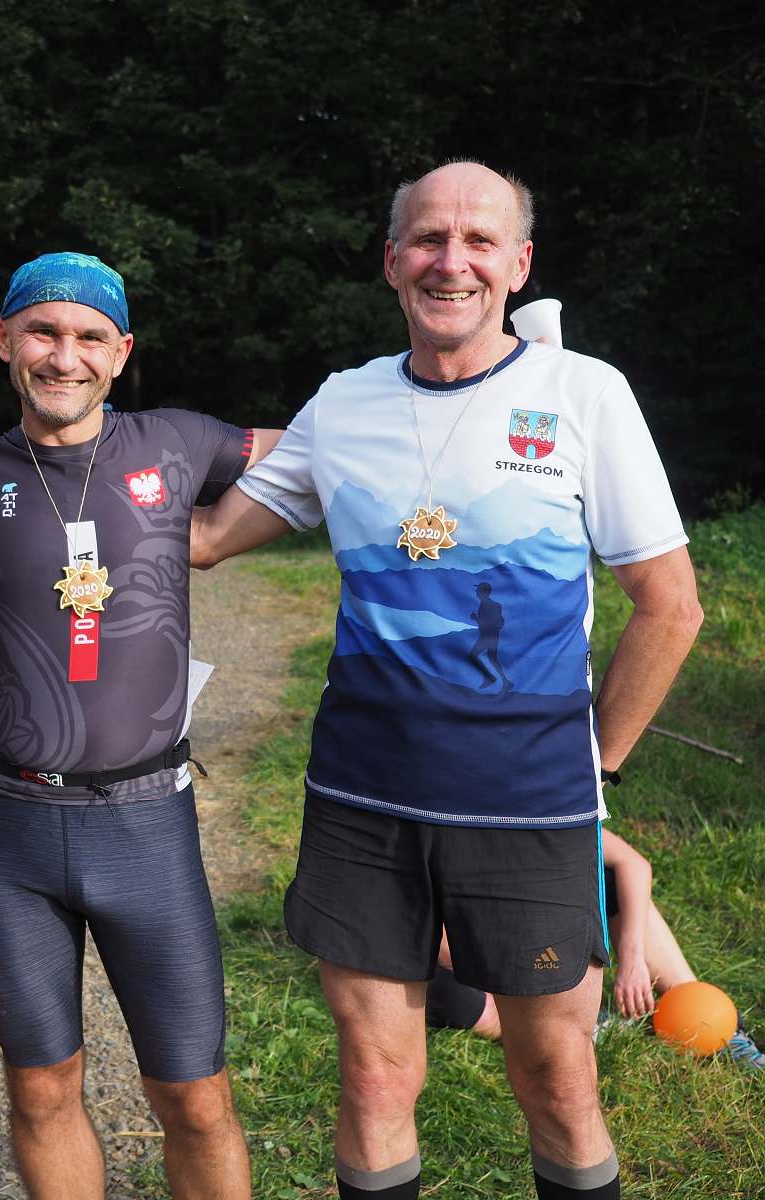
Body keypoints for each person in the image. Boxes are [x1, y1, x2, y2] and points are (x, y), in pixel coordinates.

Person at [192, 161, 705, 1200]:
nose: (451, 261)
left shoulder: (583, 393)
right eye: (428, 238)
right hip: (360, 803)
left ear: (518, 265)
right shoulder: (344, 402)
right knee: (375, 1076)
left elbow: (671, 605)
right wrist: (38, 474)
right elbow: (206, 538)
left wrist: (596, 764)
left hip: (529, 807)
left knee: (557, 1080)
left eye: (479, 241)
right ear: (393, 262)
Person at [0, 251, 282, 1200]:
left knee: (195, 1095)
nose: (66, 356)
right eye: (43, 332)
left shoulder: (177, 441)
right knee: (41, 1088)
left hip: (144, 824)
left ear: (122, 351)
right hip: (7, 823)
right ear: (3, 339)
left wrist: (215, 537)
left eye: (91, 337)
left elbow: (334, 448)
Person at [425, 830, 765, 1069]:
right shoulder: (444, 827)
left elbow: (633, 864)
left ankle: (703, 1012)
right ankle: (583, 1026)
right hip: (458, 952)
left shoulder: (534, 812)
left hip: (528, 921)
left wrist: (631, 960)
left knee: (608, 879)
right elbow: (440, 944)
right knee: (461, 1000)